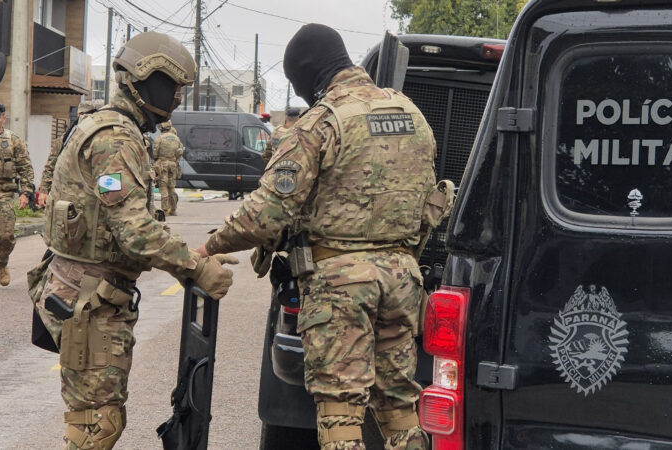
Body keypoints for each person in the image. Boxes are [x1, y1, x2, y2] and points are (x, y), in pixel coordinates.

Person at [197, 23, 452, 450]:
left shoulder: (322, 122)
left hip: (341, 288)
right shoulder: (411, 113)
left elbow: (266, 213)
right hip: (403, 280)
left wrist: (210, 246)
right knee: (399, 404)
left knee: (340, 408)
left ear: (309, 74)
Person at [34, 32, 237, 449]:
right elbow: (135, 231)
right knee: (96, 424)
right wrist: (195, 266)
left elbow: (130, 222)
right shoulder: (116, 138)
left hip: (88, 292)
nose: (178, 97)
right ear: (141, 80)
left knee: (97, 419)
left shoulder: (114, 127)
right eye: (172, 86)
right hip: (86, 297)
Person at [37, 100, 102, 208]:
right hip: (66, 200)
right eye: (84, 116)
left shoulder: (101, 140)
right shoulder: (65, 140)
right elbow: (50, 165)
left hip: (89, 200)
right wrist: (43, 190)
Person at [0, 102, 33, 286]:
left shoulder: (13, 140)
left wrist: (25, 193)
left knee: (6, 235)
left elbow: (25, 168)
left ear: (3, 118)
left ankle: (1, 263)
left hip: (4, 193)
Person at [152, 120, 183, 215]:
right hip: (173, 165)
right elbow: (180, 152)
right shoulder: (176, 138)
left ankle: (165, 210)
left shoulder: (159, 139)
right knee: (172, 187)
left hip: (162, 165)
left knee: (163, 187)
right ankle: (173, 209)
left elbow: (154, 154)